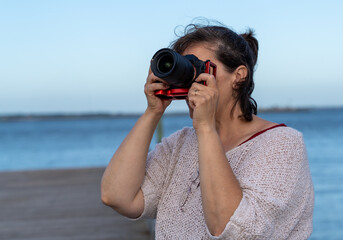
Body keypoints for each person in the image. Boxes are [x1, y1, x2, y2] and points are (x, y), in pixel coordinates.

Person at [101, 23, 314, 239]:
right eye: (186, 71)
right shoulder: (180, 143)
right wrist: (153, 111)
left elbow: (233, 231)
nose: (192, 82)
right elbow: (117, 197)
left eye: (199, 69)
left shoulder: (283, 144)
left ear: (239, 76)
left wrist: (205, 128)